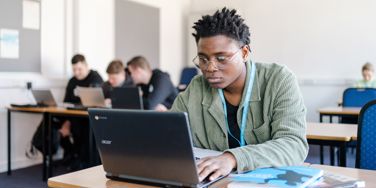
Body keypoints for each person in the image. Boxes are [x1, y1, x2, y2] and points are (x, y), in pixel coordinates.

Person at [170, 8, 308, 182]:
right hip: (214, 182)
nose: (210, 68)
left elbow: (293, 144)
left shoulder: (278, 80)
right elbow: (169, 135)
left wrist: (232, 158)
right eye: (203, 59)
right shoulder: (197, 87)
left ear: (244, 53)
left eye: (221, 58)